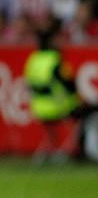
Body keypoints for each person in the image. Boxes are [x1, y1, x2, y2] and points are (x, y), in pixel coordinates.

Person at [24, 24, 81, 163]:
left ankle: (45, 154)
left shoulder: (33, 59)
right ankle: (63, 154)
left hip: (38, 107)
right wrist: (76, 97)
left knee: (51, 131)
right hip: (57, 106)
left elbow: (28, 84)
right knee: (81, 120)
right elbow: (68, 84)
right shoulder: (55, 60)